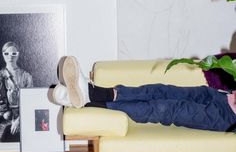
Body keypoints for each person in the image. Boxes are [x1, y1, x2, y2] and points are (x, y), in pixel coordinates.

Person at [53, 56, 236, 132]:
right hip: (222, 95)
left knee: (166, 108)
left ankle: (88, 96)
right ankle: (88, 96)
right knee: (160, 90)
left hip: (229, 118)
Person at [0, 41, 33, 141]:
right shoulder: (1, 75)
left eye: (14, 53)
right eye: (7, 54)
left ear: (18, 55)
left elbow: (30, 101)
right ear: (3, 55)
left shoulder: (26, 76)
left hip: (24, 117)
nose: (10, 57)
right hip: (4, 119)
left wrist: (19, 119)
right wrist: (5, 113)